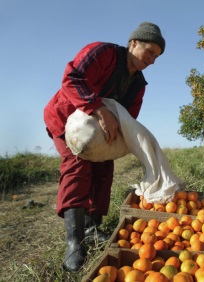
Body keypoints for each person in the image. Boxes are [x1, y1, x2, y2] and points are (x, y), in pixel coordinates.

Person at [43, 22, 165, 272]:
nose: (152, 59)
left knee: (103, 168)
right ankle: (74, 242)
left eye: (157, 56)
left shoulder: (138, 85)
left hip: (99, 131)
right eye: (150, 51)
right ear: (134, 43)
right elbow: (72, 77)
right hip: (67, 120)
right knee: (77, 166)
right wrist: (97, 108)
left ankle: (92, 228)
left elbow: (128, 119)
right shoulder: (103, 53)